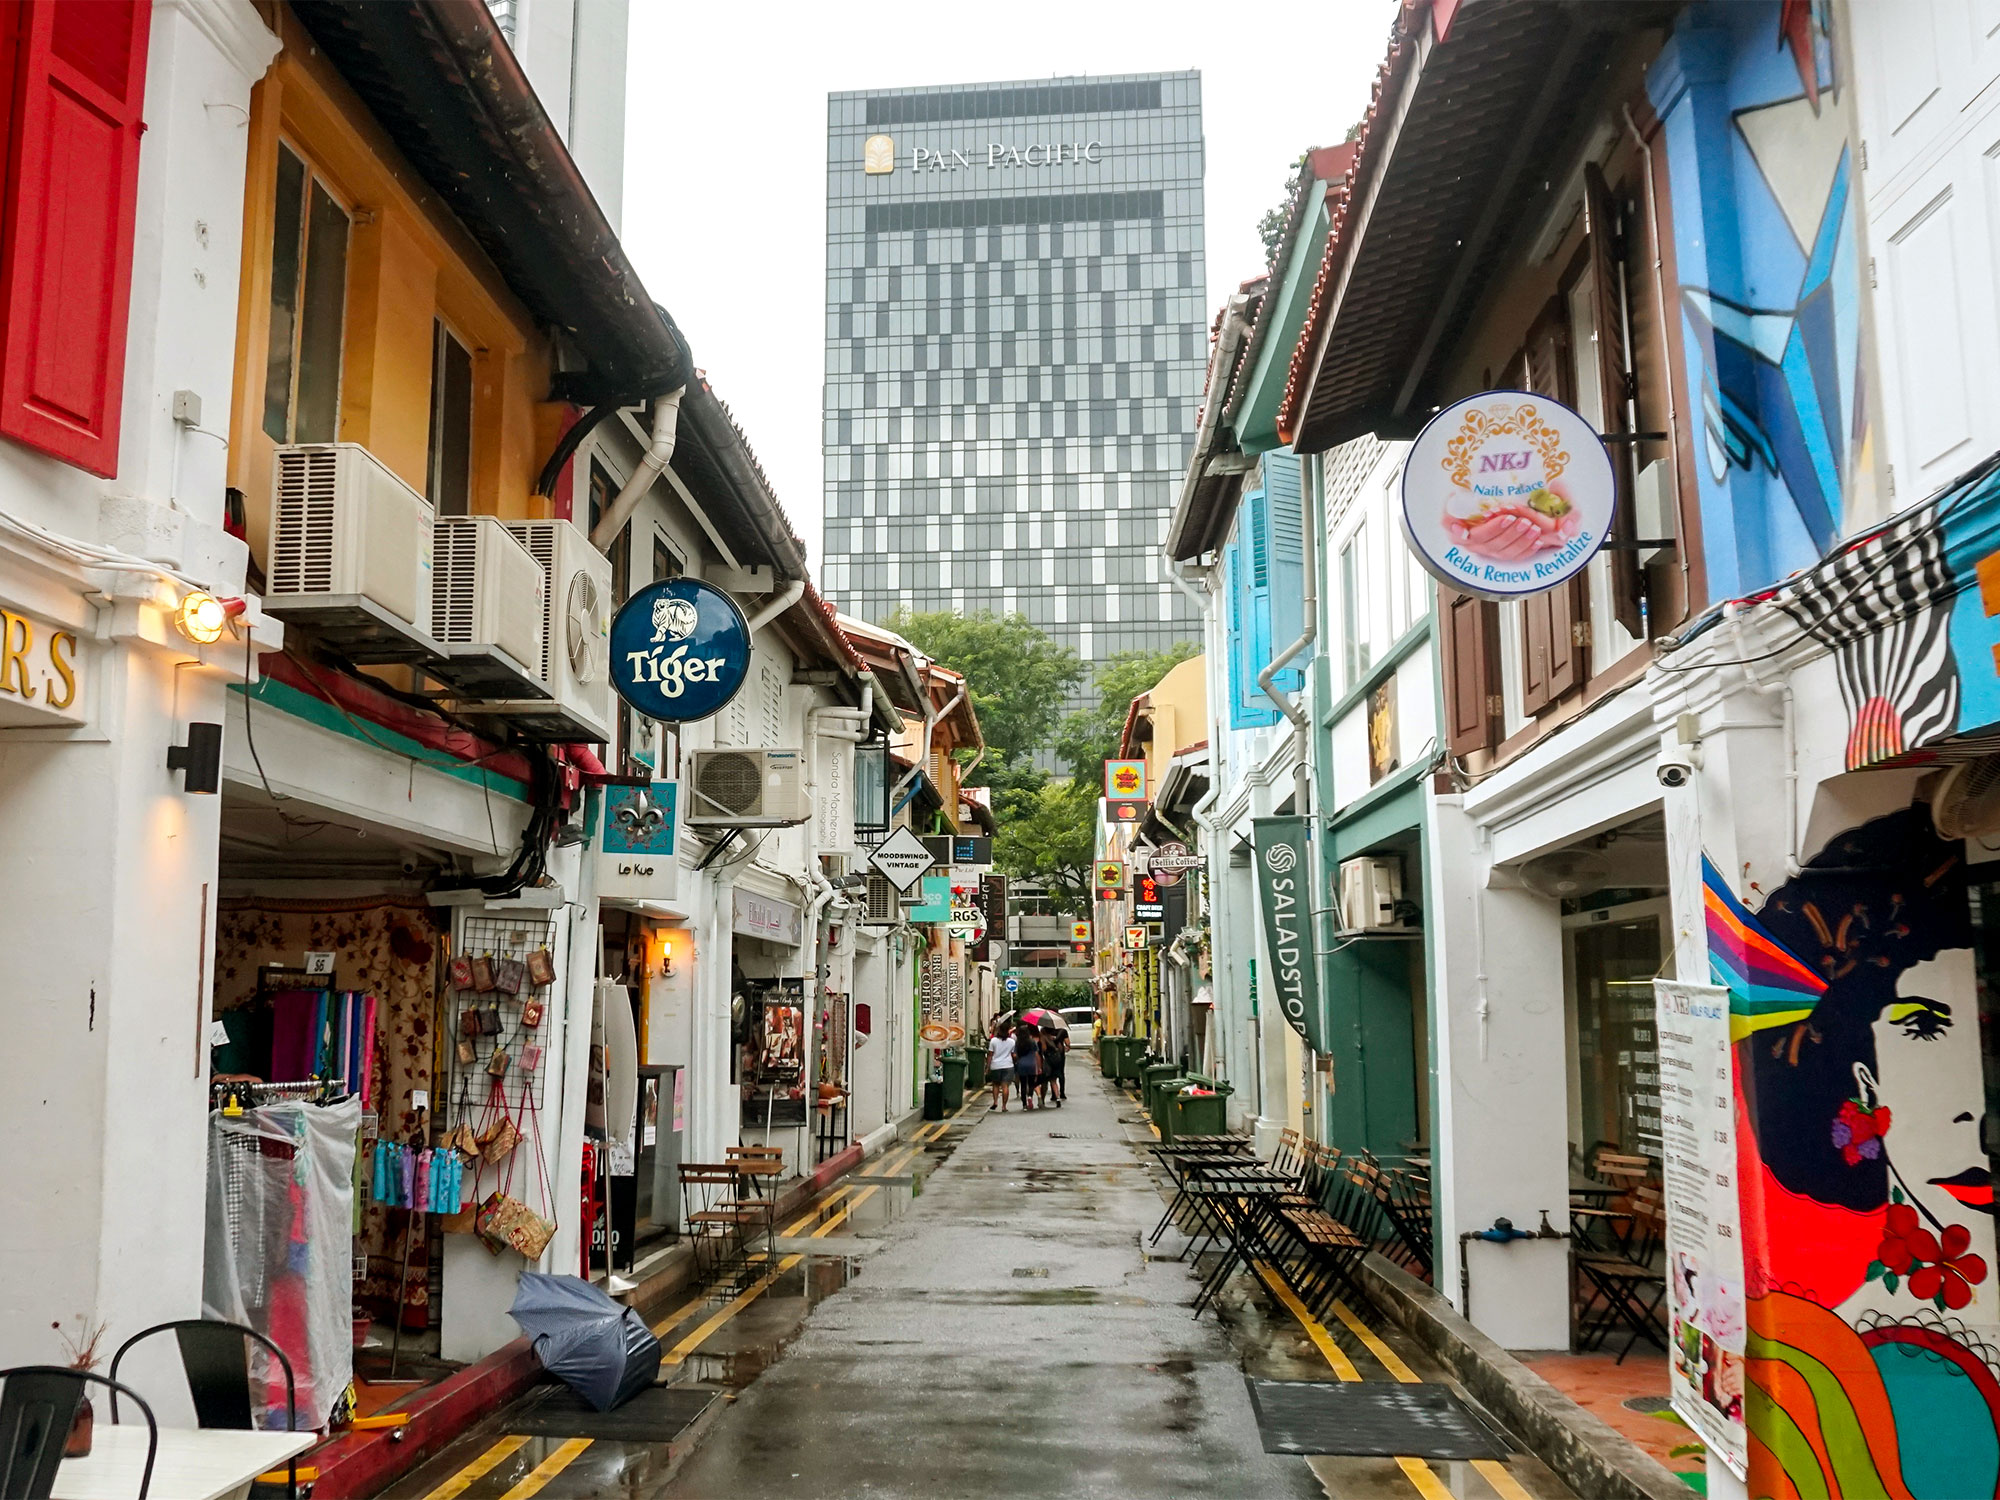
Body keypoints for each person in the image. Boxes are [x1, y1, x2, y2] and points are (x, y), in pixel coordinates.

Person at [986, 1023, 1016, 1112]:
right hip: (1008, 1065)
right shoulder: (1012, 1042)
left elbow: (990, 1055)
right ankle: (1004, 1106)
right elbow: (1013, 1054)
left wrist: (988, 1067)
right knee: (1005, 1086)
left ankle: (995, 1102)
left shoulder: (993, 1041)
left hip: (995, 1065)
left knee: (995, 1085)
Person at [1014, 1024, 1042, 1110]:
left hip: (1021, 1064)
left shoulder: (1018, 1042)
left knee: (1023, 1084)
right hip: (1031, 1064)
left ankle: (1024, 1105)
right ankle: (1030, 1096)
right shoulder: (1032, 1041)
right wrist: (1039, 1066)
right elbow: (1037, 1054)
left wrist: (1018, 1059)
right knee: (1031, 1083)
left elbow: (1015, 1055)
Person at [1045, 1026, 1068, 1107]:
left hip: (1048, 1057)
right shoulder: (1063, 1031)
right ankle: (1062, 1093)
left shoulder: (1045, 1031)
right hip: (1059, 1056)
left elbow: (1043, 1047)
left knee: (1051, 1077)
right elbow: (1068, 1043)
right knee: (1061, 1073)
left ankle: (1054, 1095)